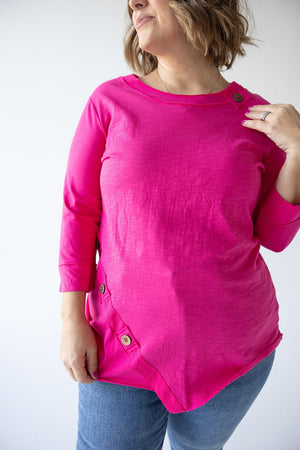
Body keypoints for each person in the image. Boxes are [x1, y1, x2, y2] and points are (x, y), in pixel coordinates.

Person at [58, 1, 300, 448]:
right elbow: (79, 211)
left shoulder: (259, 119)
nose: (133, 2)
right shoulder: (111, 102)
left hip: (234, 351)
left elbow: (274, 237)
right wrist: (71, 318)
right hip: (120, 346)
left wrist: (299, 151)